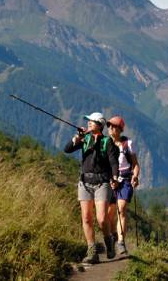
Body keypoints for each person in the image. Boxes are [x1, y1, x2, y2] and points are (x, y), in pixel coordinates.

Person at [64, 112, 120, 264]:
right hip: (85, 182)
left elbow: (113, 162)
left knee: (102, 219)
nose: (88, 123)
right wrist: (77, 137)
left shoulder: (107, 142)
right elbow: (67, 149)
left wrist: (115, 178)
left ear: (100, 125)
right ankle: (92, 251)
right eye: (88, 120)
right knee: (87, 218)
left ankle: (108, 241)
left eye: (92, 121)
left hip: (102, 183)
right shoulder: (85, 139)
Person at [105, 115, 139, 256]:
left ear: (120, 130)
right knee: (109, 214)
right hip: (110, 181)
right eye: (109, 126)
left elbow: (135, 164)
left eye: (113, 126)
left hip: (125, 179)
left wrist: (135, 176)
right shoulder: (105, 143)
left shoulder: (127, 144)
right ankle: (113, 236)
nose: (110, 128)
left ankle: (120, 241)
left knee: (121, 209)